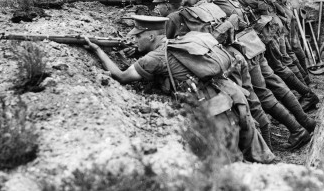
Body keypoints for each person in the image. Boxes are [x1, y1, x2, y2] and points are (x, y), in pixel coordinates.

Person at [84, 15, 275, 163]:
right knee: (259, 155)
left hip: (215, 111)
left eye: (137, 36)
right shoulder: (177, 43)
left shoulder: (154, 59)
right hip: (232, 96)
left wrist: (97, 50)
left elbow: (121, 76)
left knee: (231, 163)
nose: (133, 39)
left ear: (151, 36)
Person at [156, 0, 315, 150]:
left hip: (233, 56)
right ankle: (303, 124)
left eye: (159, 5)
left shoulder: (175, 17)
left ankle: (278, 144)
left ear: (167, 4)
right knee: (269, 89)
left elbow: (169, 47)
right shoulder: (209, 5)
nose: (157, 9)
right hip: (248, 45)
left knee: (255, 100)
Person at [212, 0, 319, 112]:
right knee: (284, 61)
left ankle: (307, 94)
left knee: (280, 66)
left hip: (266, 31)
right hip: (272, 25)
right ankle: (305, 88)